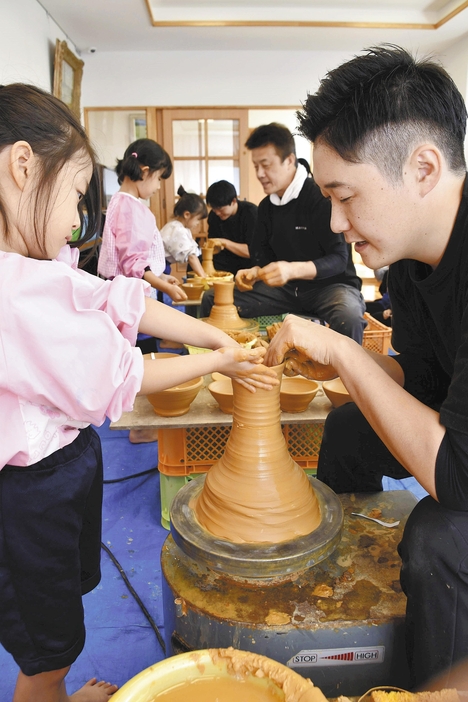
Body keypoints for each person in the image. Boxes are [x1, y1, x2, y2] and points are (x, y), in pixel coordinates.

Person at [0, 83, 278, 702]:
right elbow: (128, 371)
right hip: (27, 496)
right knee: (47, 652)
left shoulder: (36, 270)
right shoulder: (13, 292)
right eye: (74, 197)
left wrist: (215, 336)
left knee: (59, 622)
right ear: (22, 167)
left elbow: (118, 299)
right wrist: (221, 357)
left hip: (60, 471)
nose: (77, 220)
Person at [264, 45, 468, 689]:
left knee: (440, 538)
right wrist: (346, 376)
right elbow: (431, 381)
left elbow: (458, 477)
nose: (335, 221)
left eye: (345, 196)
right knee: (351, 430)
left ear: (424, 168)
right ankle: (352, 582)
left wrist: (349, 354)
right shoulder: (409, 261)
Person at [201, 123, 366, 344]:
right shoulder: (266, 208)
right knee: (213, 297)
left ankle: (347, 376)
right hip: (286, 290)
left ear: (289, 160)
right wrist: (256, 272)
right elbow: (263, 257)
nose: (260, 174)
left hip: (330, 287)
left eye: (266, 165)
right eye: (256, 166)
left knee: (349, 315)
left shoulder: (320, 199)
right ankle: (215, 364)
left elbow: (338, 260)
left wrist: (291, 269)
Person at [97, 138, 187, 306]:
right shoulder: (129, 208)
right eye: (159, 178)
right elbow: (133, 263)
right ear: (145, 172)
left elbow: (136, 260)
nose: (159, 186)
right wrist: (164, 288)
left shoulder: (121, 201)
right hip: (130, 297)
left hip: (127, 291)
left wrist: (161, 277)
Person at [205, 179, 257, 275]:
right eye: (214, 208)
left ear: (233, 201)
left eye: (220, 209)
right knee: (197, 262)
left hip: (249, 262)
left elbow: (252, 252)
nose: (217, 213)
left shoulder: (251, 213)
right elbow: (213, 244)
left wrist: (224, 242)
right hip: (226, 259)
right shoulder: (214, 216)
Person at [161, 185, 208, 279]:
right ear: (187, 215)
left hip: (162, 266)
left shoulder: (178, 227)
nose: (198, 224)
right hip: (157, 268)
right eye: (197, 219)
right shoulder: (177, 230)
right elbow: (191, 257)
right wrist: (204, 277)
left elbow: (194, 251)